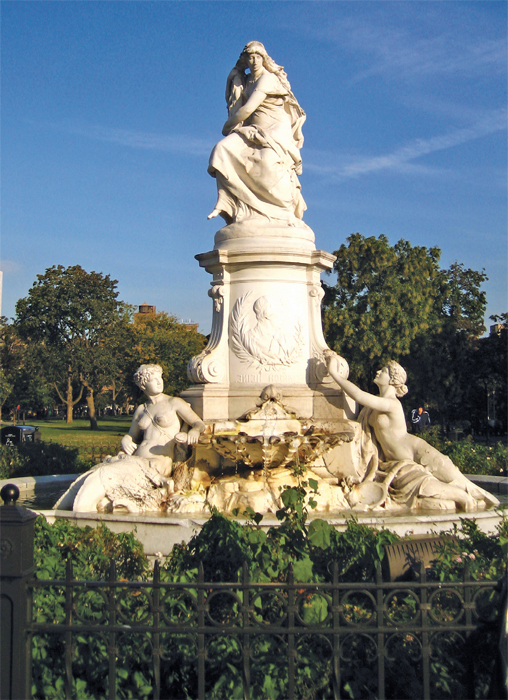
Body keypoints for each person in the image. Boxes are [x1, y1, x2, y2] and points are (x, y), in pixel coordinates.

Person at [325, 352, 499, 511]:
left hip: (417, 450)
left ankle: (490, 505)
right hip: (398, 460)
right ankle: (469, 500)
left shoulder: (392, 403)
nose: (378, 371)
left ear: (392, 380)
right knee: (431, 486)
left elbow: (359, 396)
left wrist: (334, 373)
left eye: (384, 371)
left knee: (460, 480)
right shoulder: (376, 404)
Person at [55, 365, 206, 513]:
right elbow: (131, 435)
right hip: (134, 460)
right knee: (91, 474)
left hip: (155, 466)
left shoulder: (174, 403)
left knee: (106, 474)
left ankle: (78, 514)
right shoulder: (141, 409)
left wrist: (193, 432)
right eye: (154, 379)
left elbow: (199, 423)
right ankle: (56, 512)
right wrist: (125, 440)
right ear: (143, 385)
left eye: (160, 377)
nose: (159, 381)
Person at [208, 41, 306, 224]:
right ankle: (227, 202)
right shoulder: (246, 81)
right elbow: (236, 104)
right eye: (250, 57)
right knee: (221, 150)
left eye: (257, 57)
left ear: (264, 58)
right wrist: (235, 75)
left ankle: (283, 208)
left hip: (275, 127)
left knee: (268, 160)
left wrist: (226, 126)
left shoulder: (267, 79)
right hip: (253, 128)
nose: (253, 61)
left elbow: (246, 110)